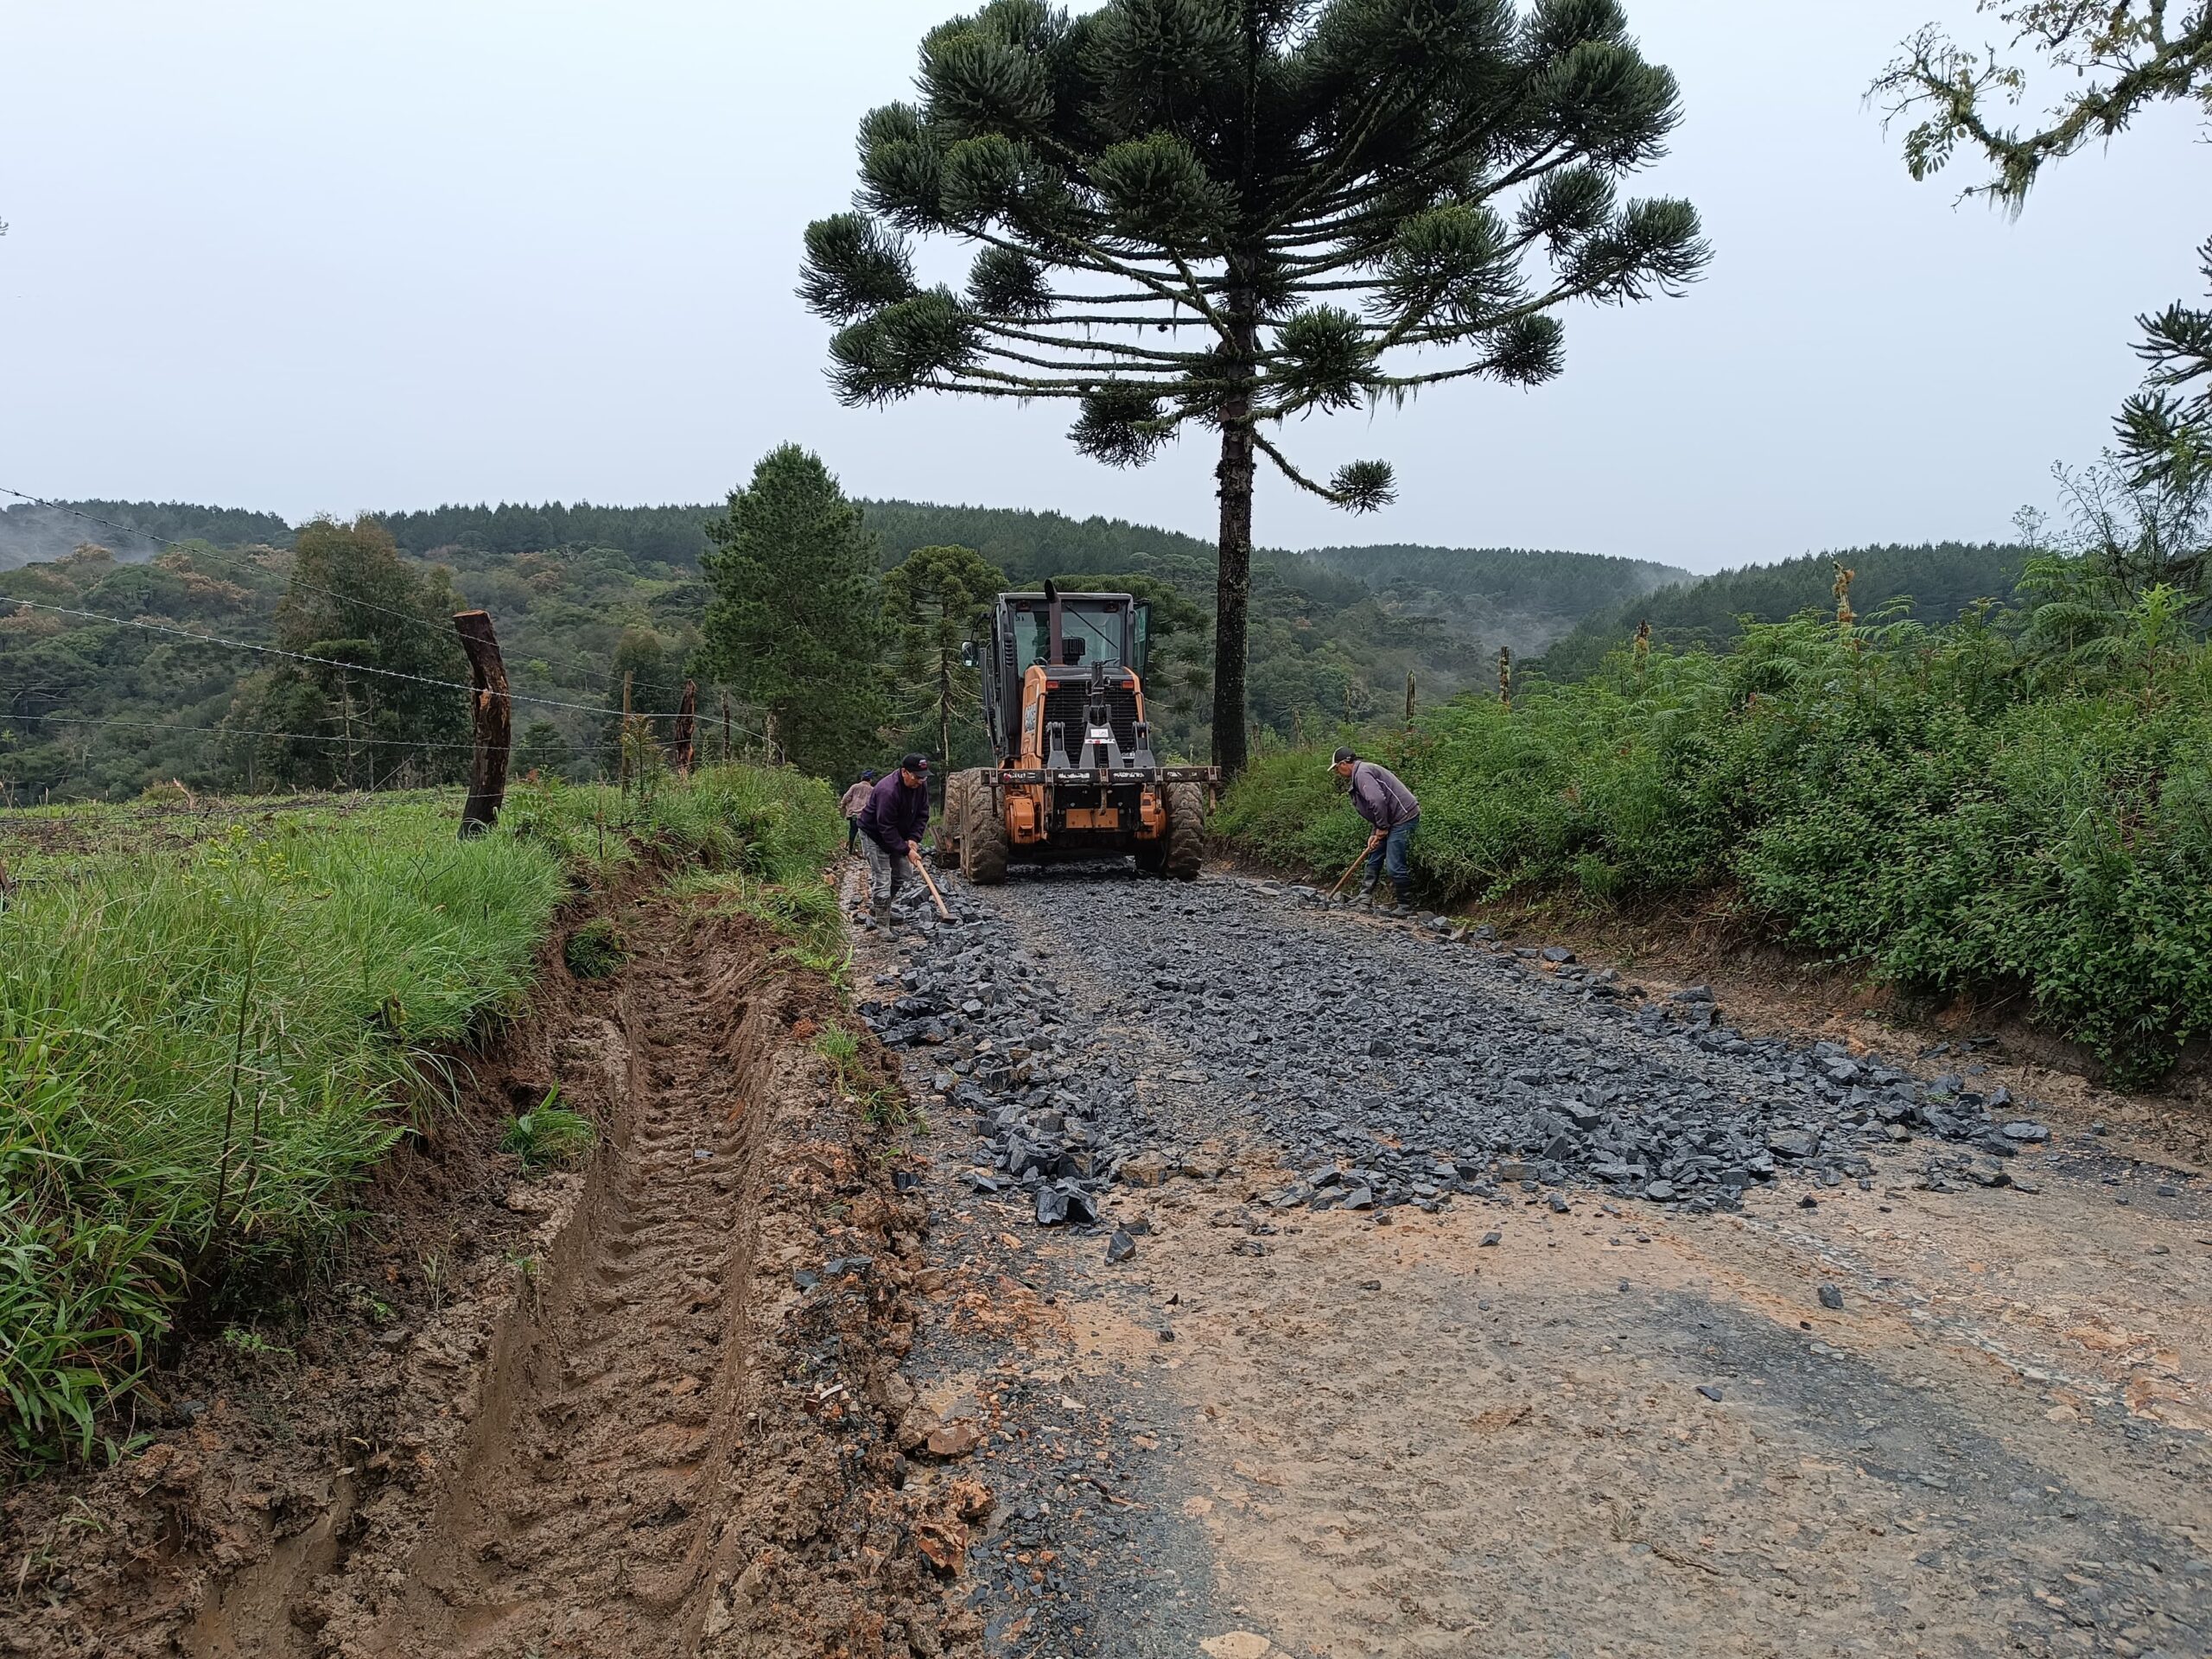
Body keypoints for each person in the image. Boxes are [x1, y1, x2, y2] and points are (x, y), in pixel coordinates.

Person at [1331, 746, 1419, 912]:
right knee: (1375, 853)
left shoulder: (1363, 773)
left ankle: (1405, 906)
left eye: (1336, 768)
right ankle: (1365, 897)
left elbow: (1378, 800)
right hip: (1391, 819)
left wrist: (1382, 827)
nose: (1337, 772)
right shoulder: (1362, 772)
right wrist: (1375, 832)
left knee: (1394, 865)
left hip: (1403, 818)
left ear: (1343, 764)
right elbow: (1376, 808)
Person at [857, 753, 931, 927]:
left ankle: (880, 909)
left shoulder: (920, 785)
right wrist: (906, 851)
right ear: (905, 772)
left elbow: (922, 814)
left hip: (896, 834)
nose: (920, 781)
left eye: (923, 777)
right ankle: (882, 925)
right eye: (917, 777)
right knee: (883, 878)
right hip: (875, 835)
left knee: (902, 874)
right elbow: (886, 828)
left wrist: (913, 838)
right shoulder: (887, 790)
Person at [840, 770, 878, 853]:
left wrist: (843, 805)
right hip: (866, 816)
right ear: (870, 780)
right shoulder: (873, 790)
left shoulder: (855, 787)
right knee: (865, 835)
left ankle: (850, 849)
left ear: (862, 778)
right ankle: (866, 852)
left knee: (853, 831)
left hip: (854, 814)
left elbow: (846, 797)